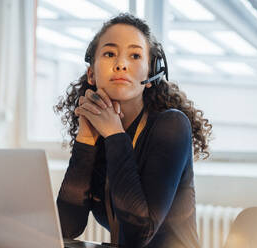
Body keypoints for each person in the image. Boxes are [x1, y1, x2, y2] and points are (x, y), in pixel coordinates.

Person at [54, 13, 212, 248]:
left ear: (150, 75)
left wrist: (115, 136)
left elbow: (137, 235)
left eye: (135, 55)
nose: (121, 64)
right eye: (109, 53)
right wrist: (86, 140)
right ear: (91, 74)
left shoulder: (171, 126)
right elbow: (66, 227)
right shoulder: (98, 133)